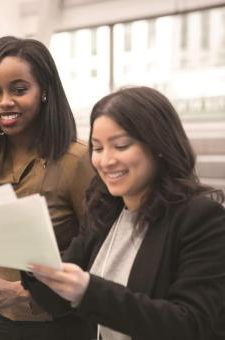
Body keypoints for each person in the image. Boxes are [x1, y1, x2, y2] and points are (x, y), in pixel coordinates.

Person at [23, 86, 225, 340]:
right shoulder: (105, 210)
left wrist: (88, 290)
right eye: (97, 148)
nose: (106, 161)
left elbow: (188, 324)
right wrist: (29, 259)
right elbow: (58, 302)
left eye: (121, 146)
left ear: (158, 145)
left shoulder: (201, 218)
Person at [0, 36, 94, 340]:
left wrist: (24, 292)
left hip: (60, 324)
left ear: (44, 91)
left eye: (19, 90)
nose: (4, 102)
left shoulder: (76, 160)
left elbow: (98, 255)